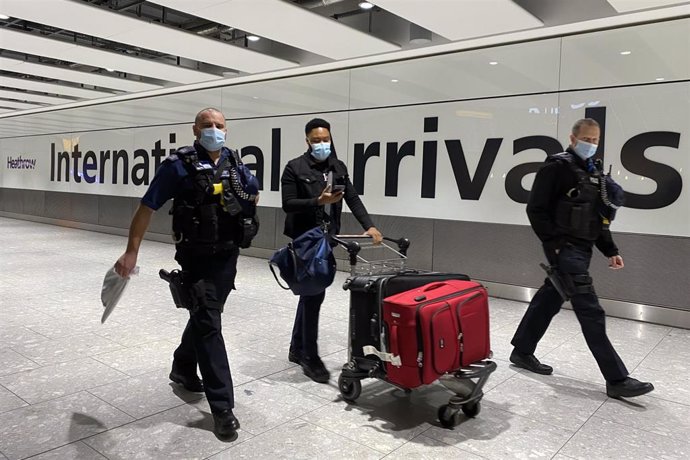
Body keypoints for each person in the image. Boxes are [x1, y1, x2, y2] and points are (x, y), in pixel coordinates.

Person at [115, 107, 258, 441]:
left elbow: (252, 194)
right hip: (195, 257)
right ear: (195, 130)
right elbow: (146, 207)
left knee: (205, 317)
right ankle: (222, 407)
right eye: (207, 125)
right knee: (210, 325)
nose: (214, 130)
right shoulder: (177, 167)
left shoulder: (235, 164)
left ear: (227, 130)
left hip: (227, 257)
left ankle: (182, 367)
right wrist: (132, 250)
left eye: (219, 126)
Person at [510, 118, 654, 399]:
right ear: (573, 138)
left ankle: (522, 350)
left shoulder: (592, 172)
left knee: (549, 298)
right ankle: (617, 379)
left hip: (582, 250)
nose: (591, 144)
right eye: (586, 139)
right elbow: (535, 210)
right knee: (591, 311)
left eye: (595, 140)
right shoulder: (557, 167)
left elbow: (597, 220)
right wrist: (555, 246)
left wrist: (610, 250)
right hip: (566, 251)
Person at [281, 117, 383, 383]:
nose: (322, 144)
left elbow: (352, 197)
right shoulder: (294, 167)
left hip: (327, 238)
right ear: (307, 141)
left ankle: (297, 348)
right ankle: (309, 356)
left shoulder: (338, 167)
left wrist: (369, 226)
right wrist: (318, 200)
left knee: (311, 292)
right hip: (305, 240)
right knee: (313, 294)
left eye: (325, 139)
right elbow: (288, 203)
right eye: (316, 140)